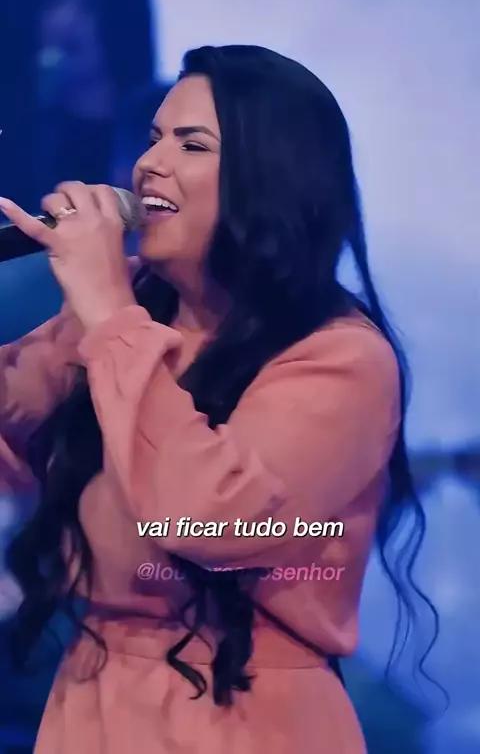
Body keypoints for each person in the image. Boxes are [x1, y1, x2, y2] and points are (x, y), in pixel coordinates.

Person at [0, 45, 438, 753]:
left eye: (192, 144)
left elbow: (211, 520)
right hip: (91, 704)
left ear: (268, 179)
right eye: (152, 139)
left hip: (241, 714)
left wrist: (109, 315)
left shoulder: (341, 359)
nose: (150, 164)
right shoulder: (132, 306)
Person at [2, 0, 171, 213]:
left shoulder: (158, 123)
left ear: (123, 15)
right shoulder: (18, 126)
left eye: (89, 5)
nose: (66, 21)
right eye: (55, 0)